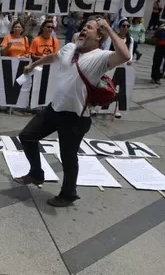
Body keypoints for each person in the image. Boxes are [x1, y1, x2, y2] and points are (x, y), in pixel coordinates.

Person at [16, 17, 130, 207]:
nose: (84, 29)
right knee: (27, 136)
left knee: (68, 158)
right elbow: (54, 56)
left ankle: (68, 195)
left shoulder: (101, 57)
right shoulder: (70, 48)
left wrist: (109, 29)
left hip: (76, 117)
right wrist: (33, 65)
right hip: (55, 108)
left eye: (90, 28)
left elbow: (125, 56)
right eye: (84, 26)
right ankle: (36, 173)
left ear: (99, 36)